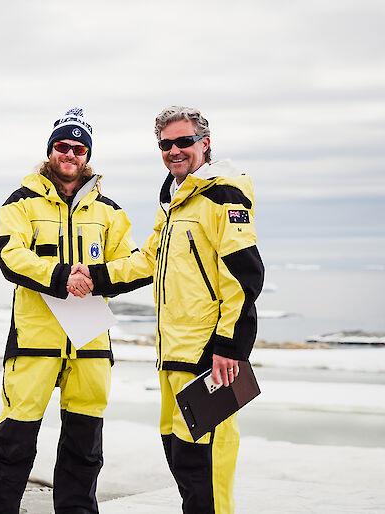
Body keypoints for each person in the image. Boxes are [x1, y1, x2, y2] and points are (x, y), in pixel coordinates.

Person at [69, 106, 264, 514]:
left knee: (205, 468)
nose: (174, 150)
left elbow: (245, 276)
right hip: (172, 357)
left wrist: (230, 346)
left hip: (210, 359)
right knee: (181, 460)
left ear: (204, 144)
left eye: (183, 141)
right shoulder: (174, 201)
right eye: (165, 144)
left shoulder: (221, 195)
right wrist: (95, 276)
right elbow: (146, 261)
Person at [0, 108, 149, 514]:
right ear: (50, 150)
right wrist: (61, 277)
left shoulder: (109, 211)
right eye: (62, 146)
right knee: (13, 443)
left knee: (84, 448)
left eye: (79, 147)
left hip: (90, 342)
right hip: (35, 341)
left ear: (87, 155)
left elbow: (132, 264)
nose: (70, 153)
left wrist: (95, 277)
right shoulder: (20, 202)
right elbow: (9, 257)